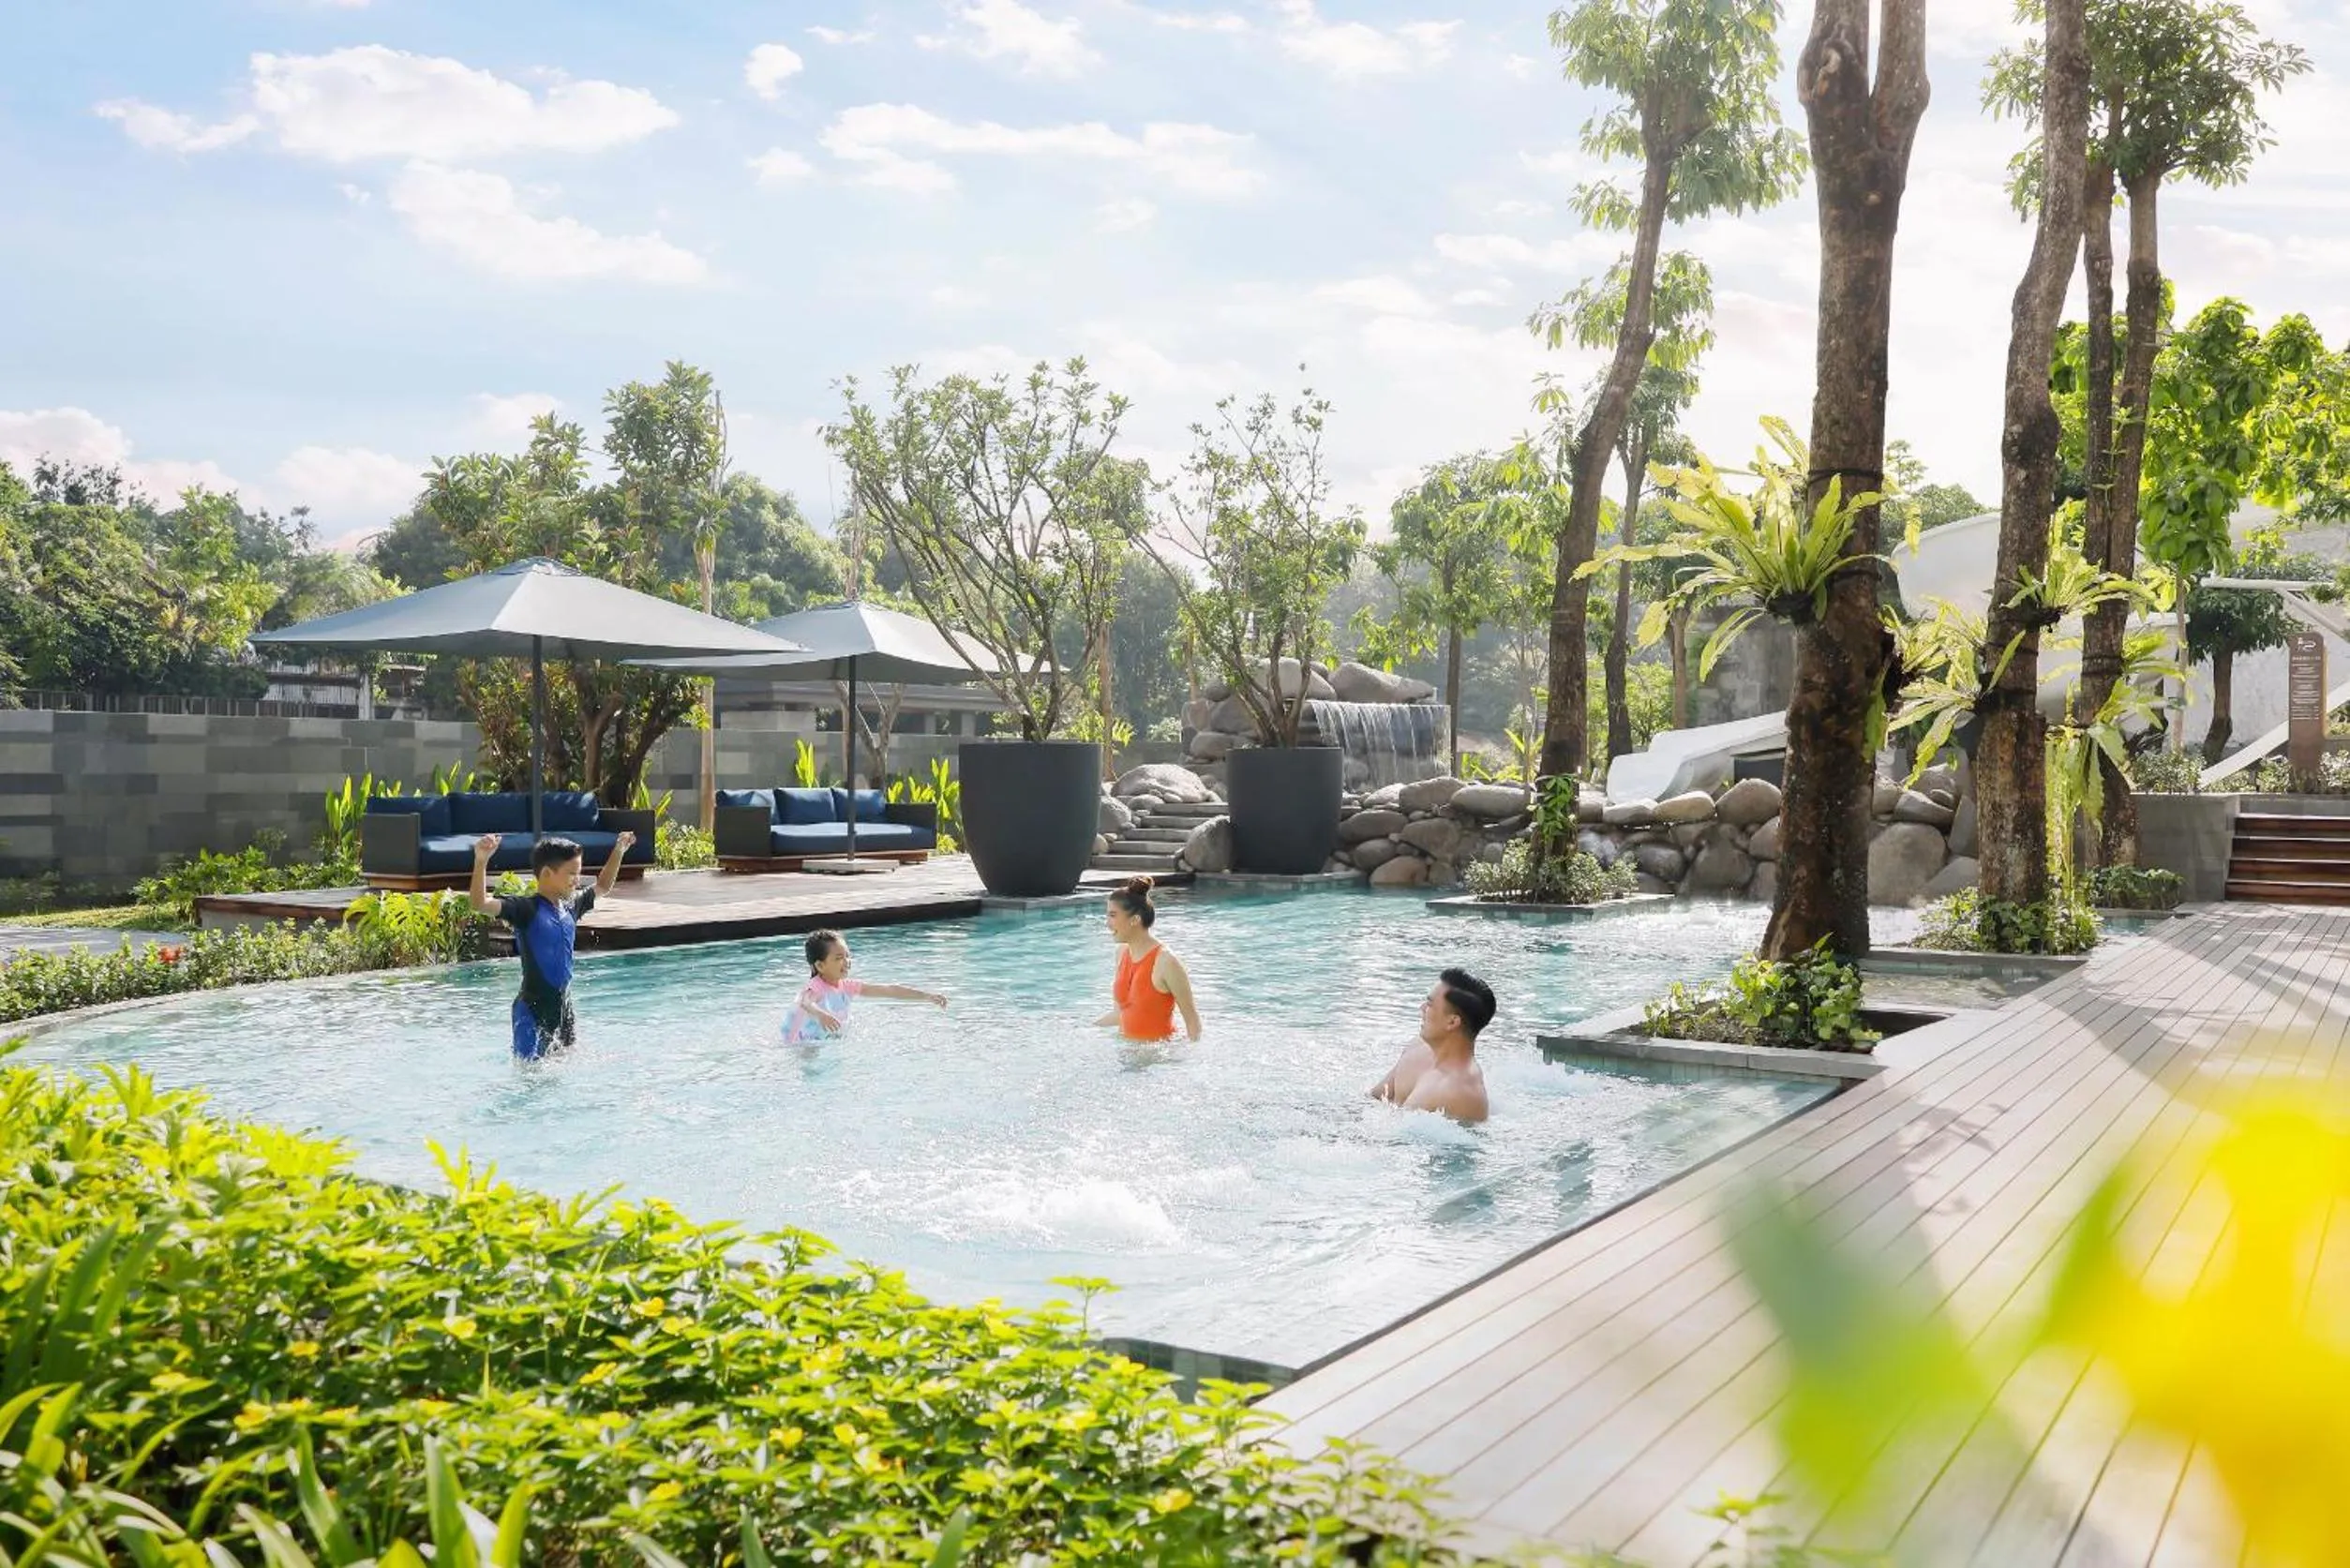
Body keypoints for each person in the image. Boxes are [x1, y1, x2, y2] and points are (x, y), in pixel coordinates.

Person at [469, 829, 634, 1061]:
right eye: (571, 873)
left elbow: (603, 886)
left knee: (565, 1071)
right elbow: (480, 904)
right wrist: (481, 861)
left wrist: (619, 851)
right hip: (531, 1013)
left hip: (564, 1011)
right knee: (530, 1079)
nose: (578, 879)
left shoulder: (571, 908)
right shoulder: (526, 909)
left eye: (579, 872)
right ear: (547, 873)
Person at [1370, 968, 1494, 1125]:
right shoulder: (1417, 1048)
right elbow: (1373, 1098)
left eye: (1430, 1004)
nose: (1422, 1009)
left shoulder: (1464, 1095)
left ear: (1452, 1022)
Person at [781, 928, 948, 1042]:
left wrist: (926, 996)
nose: (846, 962)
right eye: (839, 958)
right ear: (820, 966)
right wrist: (821, 1015)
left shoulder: (847, 986)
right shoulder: (815, 986)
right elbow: (805, 1002)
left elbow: (888, 990)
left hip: (821, 1037)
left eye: (847, 956)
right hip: (799, 1042)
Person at [1095, 876, 1201, 1042]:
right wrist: (1082, 1030)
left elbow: (1192, 1022)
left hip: (1158, 1059)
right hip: (1127, 1053)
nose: (1107, 923)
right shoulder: (1122, 953)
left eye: (1113, 915)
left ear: (1135, 920)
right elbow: (1119, 1014)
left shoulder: (1166, 962)